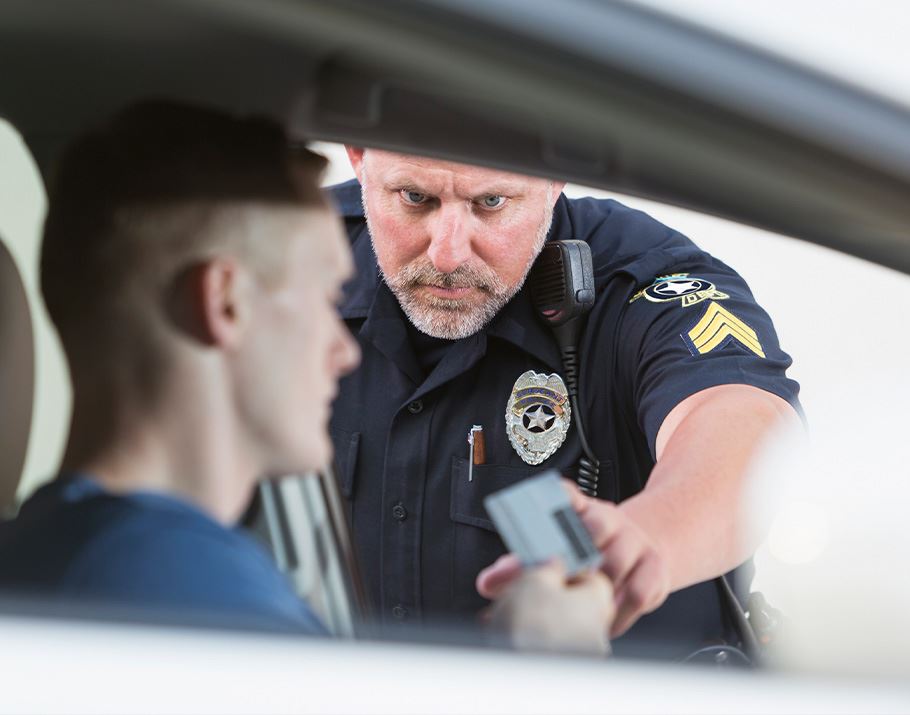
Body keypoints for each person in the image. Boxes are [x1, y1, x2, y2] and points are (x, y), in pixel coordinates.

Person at [0, 102, 613, 651]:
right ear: (225, 304)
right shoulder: (192, 599)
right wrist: (550, 663)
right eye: (324, 295)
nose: (343, 352)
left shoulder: (51, 552)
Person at [327, 148, 802, 658]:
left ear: (556, 175)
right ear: (357, 157)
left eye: (490, 202)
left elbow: (745, 425)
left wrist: (643, 542)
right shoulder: (284, 254)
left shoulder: (641, 278)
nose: (448, 253)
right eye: (415, 198)